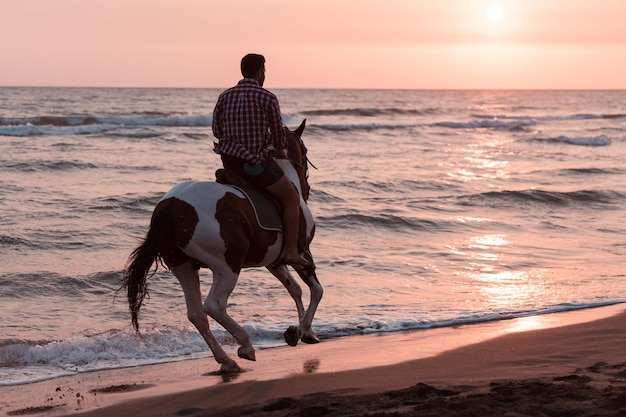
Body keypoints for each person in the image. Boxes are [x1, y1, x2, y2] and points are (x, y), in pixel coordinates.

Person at [212, 53, 309, 267]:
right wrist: (281, 151)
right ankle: (292, 251)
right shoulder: (267, 97)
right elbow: (278, 133)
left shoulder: (225, 96)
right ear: (260, 71)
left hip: (229, 164)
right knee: (291, 198)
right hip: (254, 165)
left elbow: (216, 130)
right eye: (264, 70)